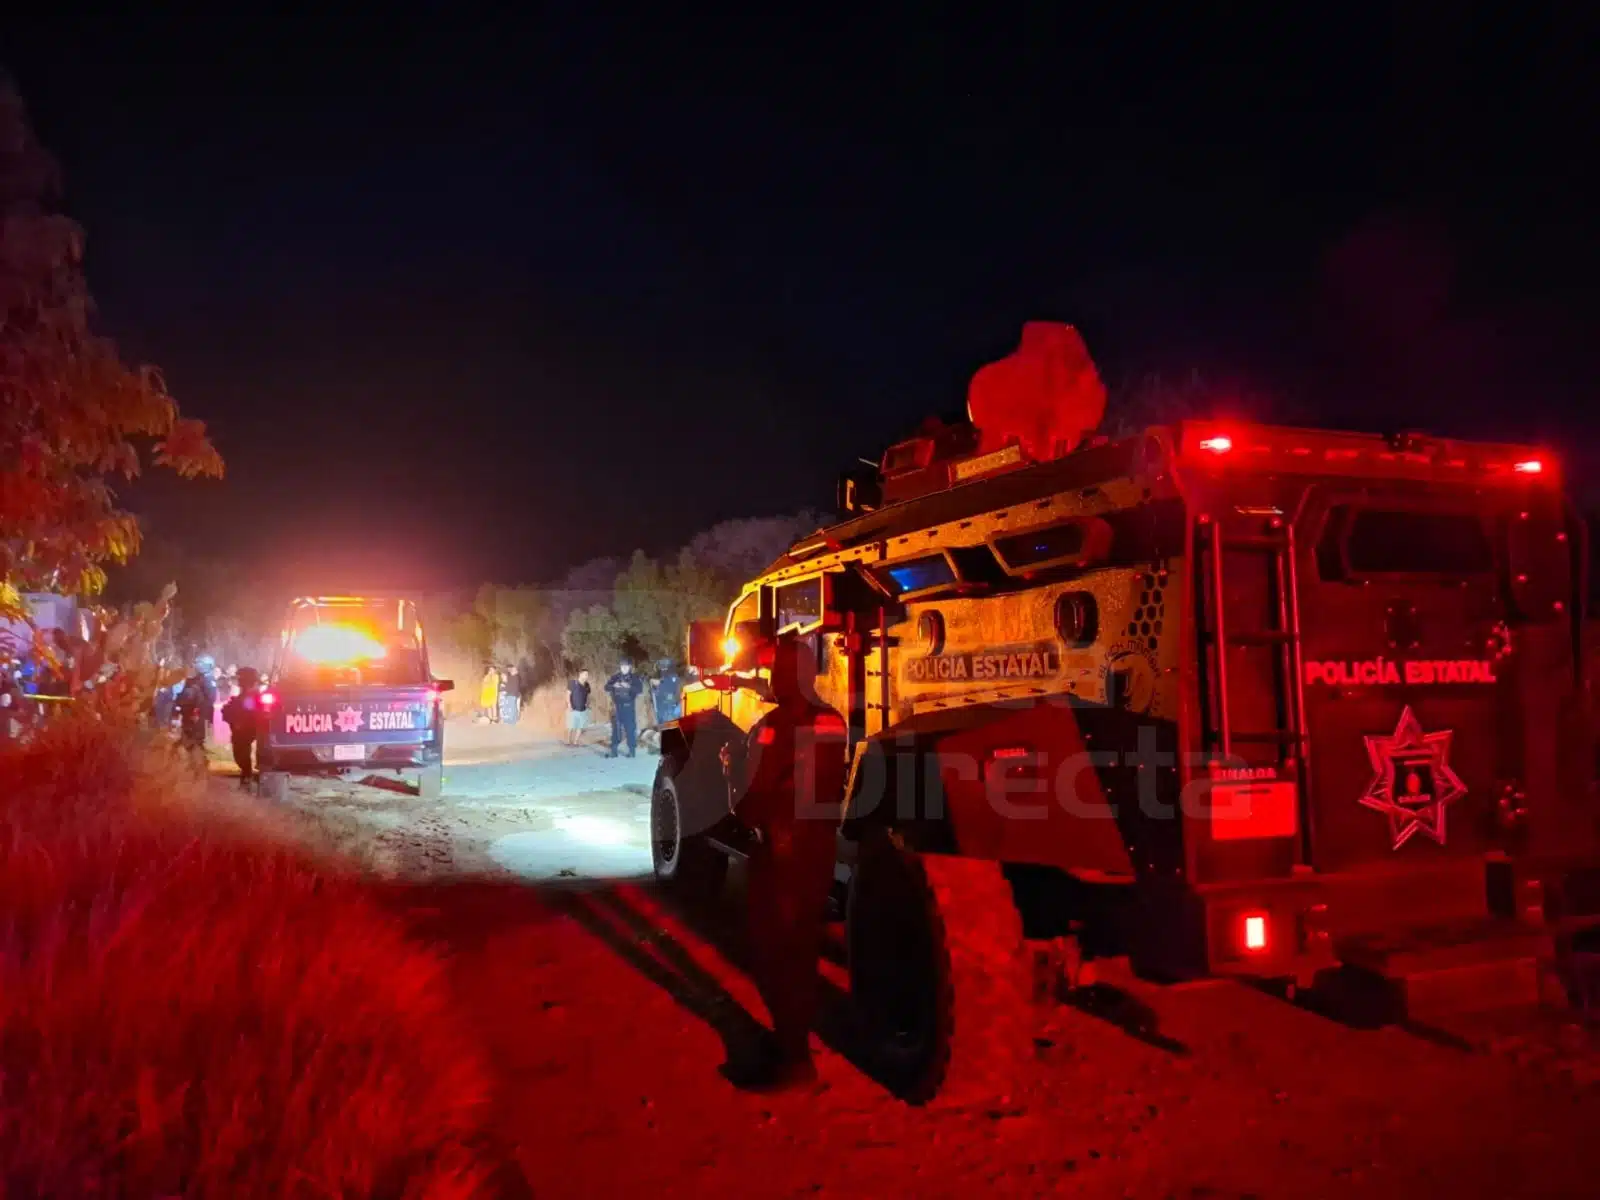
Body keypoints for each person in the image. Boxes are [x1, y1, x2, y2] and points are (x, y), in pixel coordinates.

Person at [726, 633, 848, 1092]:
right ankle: (793, 1048)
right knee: (793, 950)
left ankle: (794, 1059)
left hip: (783, 852)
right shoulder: (828, 722)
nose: (773, 679)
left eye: (777, 671)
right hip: (806, 848)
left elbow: (756, 797)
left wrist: (732, 773)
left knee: (780, 954)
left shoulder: (777, 726)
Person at [221, 666, 265, 788]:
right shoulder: (244, 695)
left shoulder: (254, 696)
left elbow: (250, 710)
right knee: (240, 754)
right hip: (241, 729)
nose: (239, 681)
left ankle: (249, 776)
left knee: (244, 753)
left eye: (241, 679)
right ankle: (247, 775)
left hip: (248, 728)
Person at [173, 656, 218, 766]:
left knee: (196, 739)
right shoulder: (194, 680)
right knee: (188, 736)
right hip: (189, 713)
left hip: (198, 714)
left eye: (200, 664)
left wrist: (199, 711)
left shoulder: (207, 680)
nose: (198, 666)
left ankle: (199, 763)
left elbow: (211, 698)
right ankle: (193, 762)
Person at [604, 659, 644, 758]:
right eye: (622, 666)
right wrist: (614, 685)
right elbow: (606, 687)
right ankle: (614, 751)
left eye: (626, 666)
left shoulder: (634, 678)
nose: (624, 668)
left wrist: (629, 686)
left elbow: (639, 690)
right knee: (616, 729)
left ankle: (632, 751)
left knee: (630, 728)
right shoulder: (615, 677)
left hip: (629, 706)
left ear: (629, 667)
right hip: (617, 706)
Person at [566, 668, 592, 747]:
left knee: (580, 727)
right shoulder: (573, 683)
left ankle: (575, 742)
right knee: (571, 726)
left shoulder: (587, 685)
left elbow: (588, 696)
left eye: (587, 674)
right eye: (585, 674)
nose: (587, 676)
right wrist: (569, 705)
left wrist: (588, 705)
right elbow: (567, 694)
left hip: (583, 709)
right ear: (580, 674)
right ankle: (568, 741)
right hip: (573, 709)